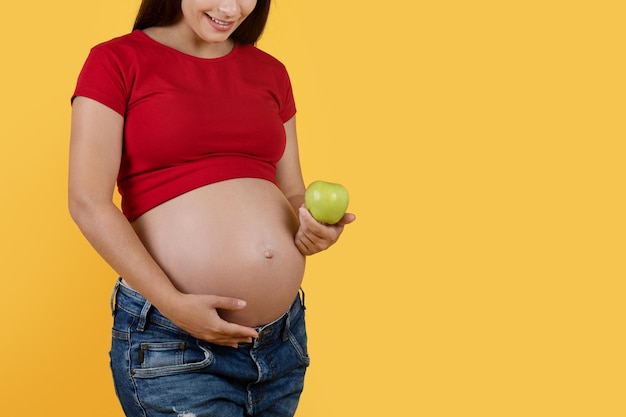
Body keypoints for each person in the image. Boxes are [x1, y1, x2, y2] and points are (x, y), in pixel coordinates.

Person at [68, 0, 355, 416]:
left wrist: (313, 226)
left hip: (279, 343)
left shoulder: (271, 71)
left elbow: (291, 188)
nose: (230, 7)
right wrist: (171, 302)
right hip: (174, 340)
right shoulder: (116, 61)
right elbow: (87, 201)